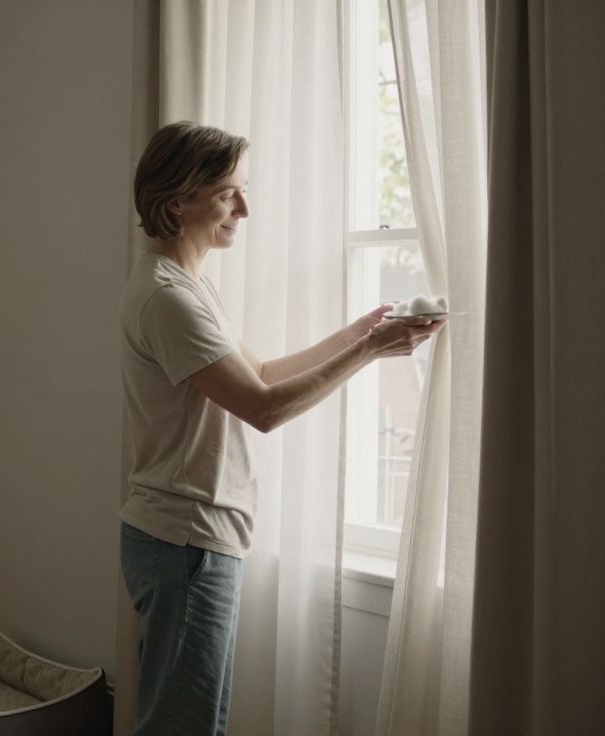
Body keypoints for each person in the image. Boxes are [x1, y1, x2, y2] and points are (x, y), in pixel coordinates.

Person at [119, 121, 442, 736]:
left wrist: (356, 334)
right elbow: (263, 409)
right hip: (184, 539)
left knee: (191, 720)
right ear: (177, 202)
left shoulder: (188, 284)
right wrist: (371, 350)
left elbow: (259, 373)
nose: (245, 207)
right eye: (227, 193)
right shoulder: (170, 299)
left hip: (183, 537)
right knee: (183, 726)